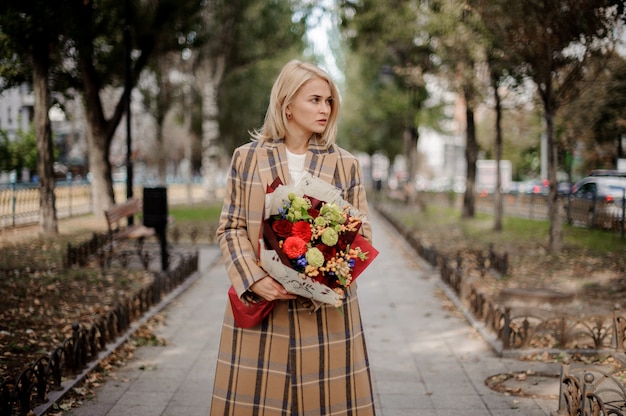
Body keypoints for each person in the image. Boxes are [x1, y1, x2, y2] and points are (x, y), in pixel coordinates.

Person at [210, 59, 376, 415]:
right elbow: (231, 227)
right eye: (314, 100)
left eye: (329, 101)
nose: (325, 109)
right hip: (265, 306)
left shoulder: (345, 164)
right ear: (287, 105)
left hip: (325, 316)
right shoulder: (247, 158)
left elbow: (361, 233)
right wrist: (254, 279)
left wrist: (321, 275)